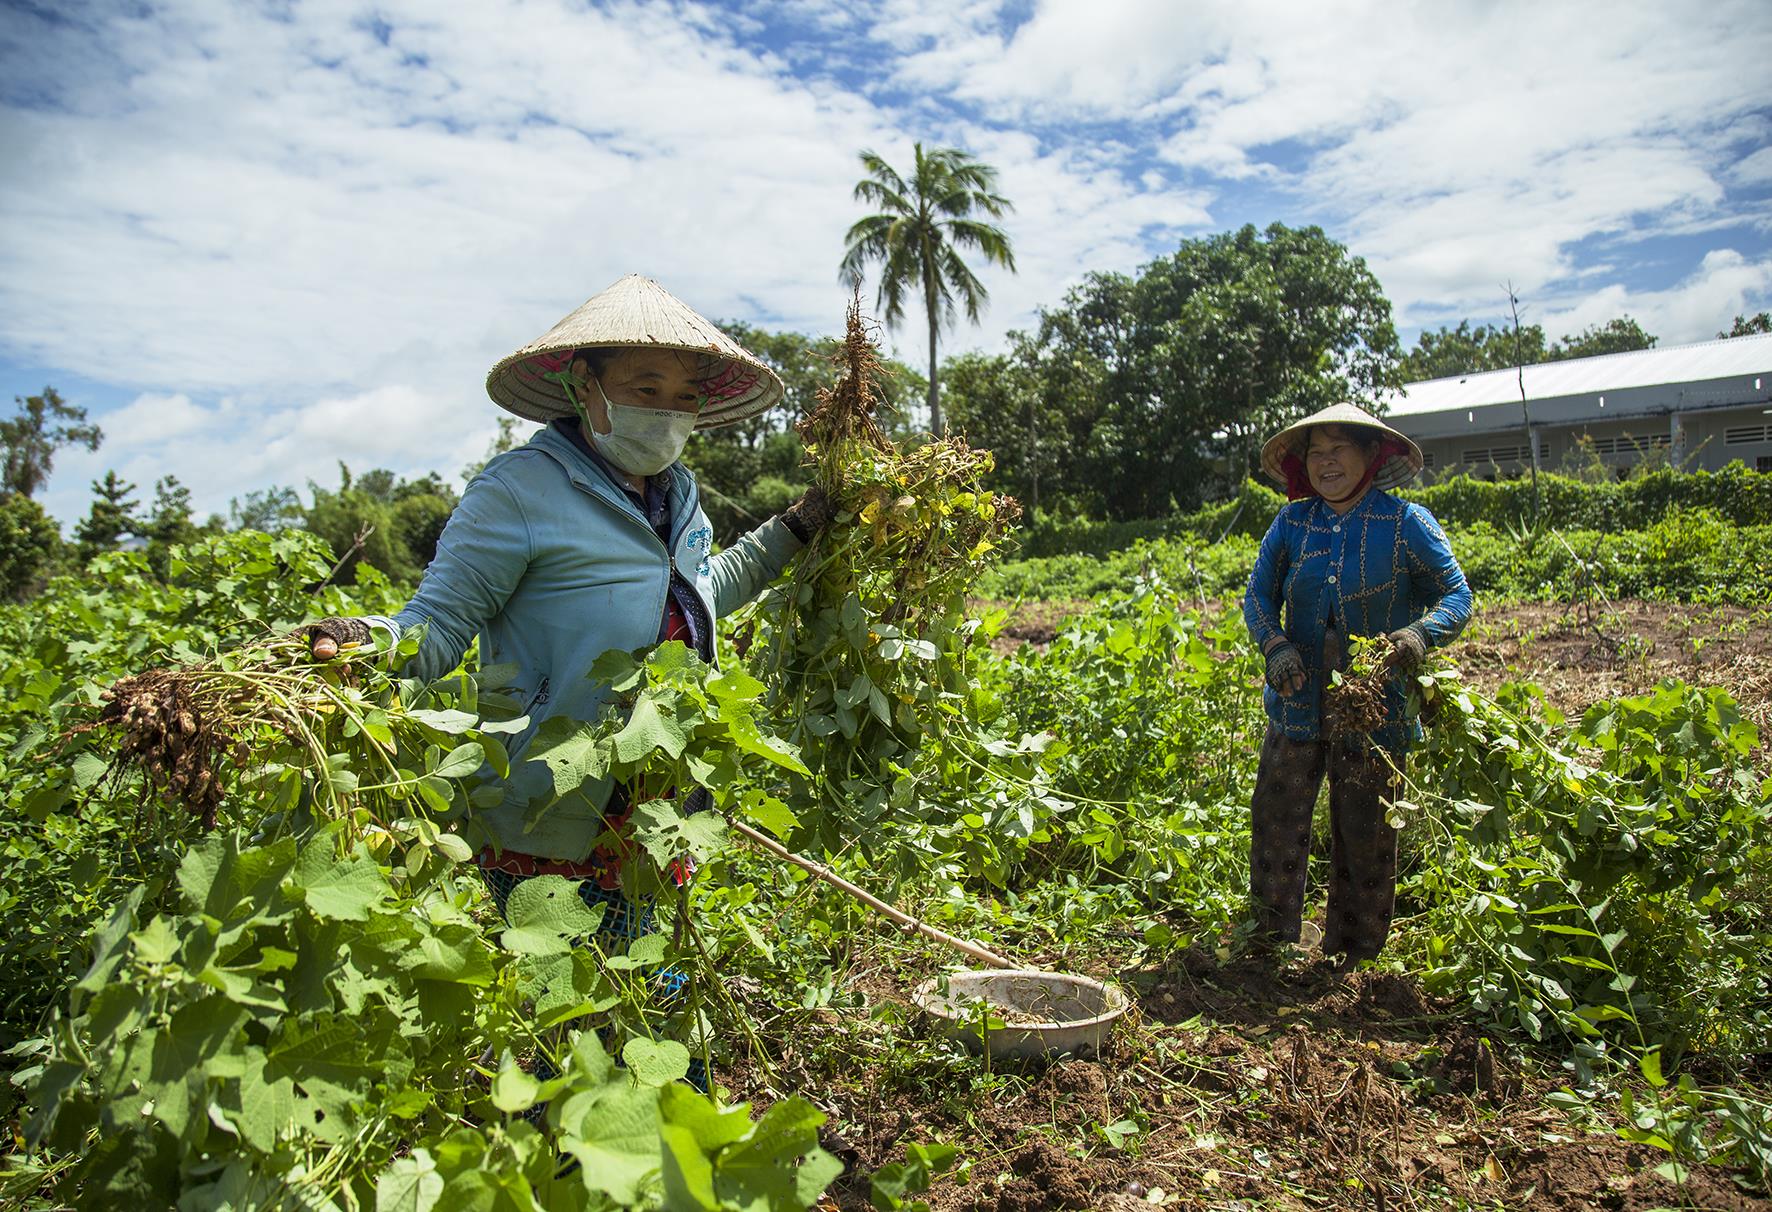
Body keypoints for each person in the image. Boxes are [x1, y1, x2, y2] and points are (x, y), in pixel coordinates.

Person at [306, 275, 834, 1087]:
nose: (667, 409)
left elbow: (697, 597)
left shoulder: (677, 496)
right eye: (643, 387)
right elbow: (438, 625)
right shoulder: (518, 492)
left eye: (684, 395)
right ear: (584, 387)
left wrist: (792, 531)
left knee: (648, 991)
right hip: (548, 805)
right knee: (568, 1025)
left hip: (653, 804)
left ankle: (660, 1147)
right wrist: (363, 642)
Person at [1241, 402, 1471, 970]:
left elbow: (1458, 596)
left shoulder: (1405, 524)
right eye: (1316, 452)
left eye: (1339, 447)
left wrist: (1418, 636)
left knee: (1365, 826)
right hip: (1297, 699)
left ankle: (1356, 954)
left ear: (1372, 454)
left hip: (1375, 705)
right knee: (1277, 813)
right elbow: (1258, 599)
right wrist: (1277, 648)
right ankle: (1269, 938)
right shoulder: (1291, 524)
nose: (1327, 462)